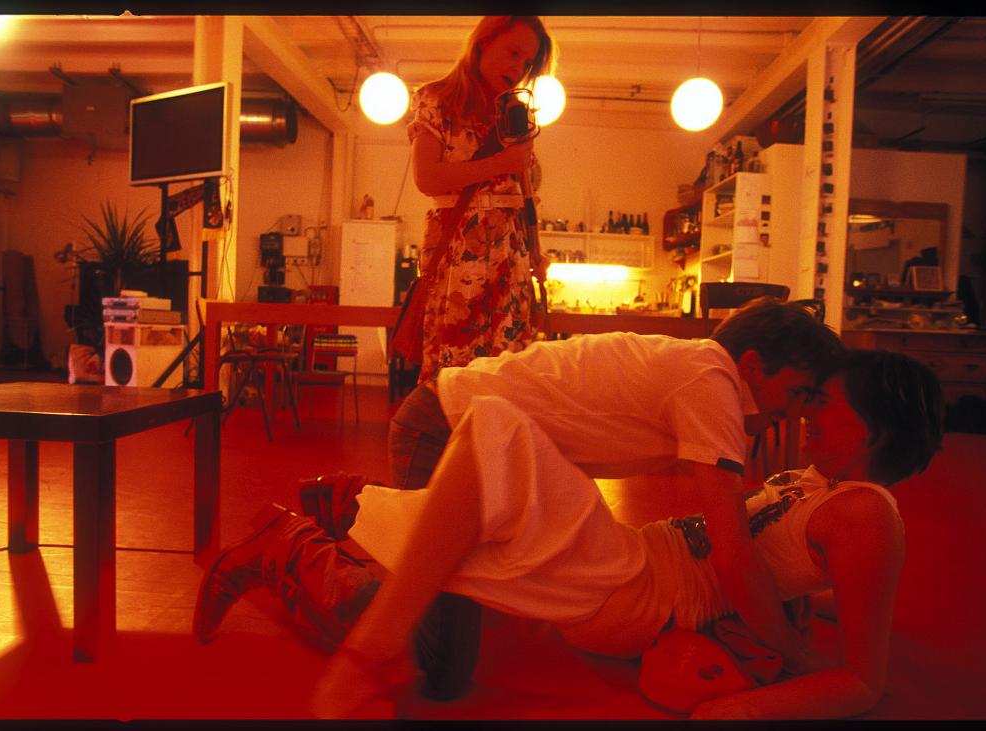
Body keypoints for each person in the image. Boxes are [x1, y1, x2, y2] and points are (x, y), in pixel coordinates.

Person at [192, 348, 943, 719]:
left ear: (874, 431)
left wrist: (741, 702)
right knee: (473, 510)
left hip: (641, 593)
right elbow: (806, 569)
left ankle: (354, 622)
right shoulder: (827, 487)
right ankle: (347, 515)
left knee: (495, 434)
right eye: (811, 396)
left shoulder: (869, 514)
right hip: (636, 563)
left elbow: (862, 679)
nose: (807, 412)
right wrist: (802, 616)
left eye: (826, 404)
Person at [406, 16, 555, 383]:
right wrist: (501, 163)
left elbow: (523, 193)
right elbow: (427, 178)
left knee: (507, 379)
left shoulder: (515, 113)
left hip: (511, 261)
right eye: (513, 53)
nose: (518, 69)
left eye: (527, 63)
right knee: (454, 376)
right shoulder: (437, 98)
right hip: (458, 257)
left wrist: (534, 251)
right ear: (483, 42)